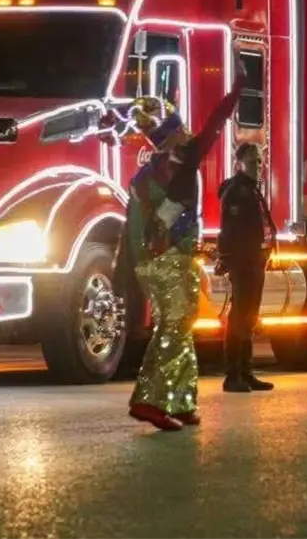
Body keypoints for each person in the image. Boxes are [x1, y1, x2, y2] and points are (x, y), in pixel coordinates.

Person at [127, 59, 247, 431]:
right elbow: (215, 124)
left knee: (182, 322)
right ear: (173, 130)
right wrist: (238, 89)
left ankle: (181, 402)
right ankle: (148, 399)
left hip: (154, 260)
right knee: (175, 327)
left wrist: (136, 268)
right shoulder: (185, 159)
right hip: (172, 258)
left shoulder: (146, 174)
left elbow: (132, 230)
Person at [217, 142, 277, 392]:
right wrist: (229, 258)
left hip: (256, 261)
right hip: (243, 262)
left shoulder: (253, 190)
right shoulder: (237, 191)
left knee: (250, 317)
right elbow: (230, 231)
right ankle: (233, 375)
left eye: (260, 161)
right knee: (239, 317)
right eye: (253, 161)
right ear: (239, 164)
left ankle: (246, 371)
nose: (258, 166)